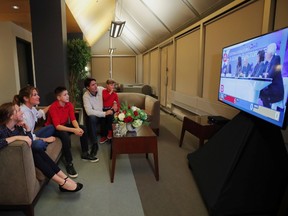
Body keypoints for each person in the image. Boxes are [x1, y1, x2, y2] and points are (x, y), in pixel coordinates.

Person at [0, 102, 83, 192]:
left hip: (24, 153)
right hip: (11, 159)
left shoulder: (17, 127)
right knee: (36, 151)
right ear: (11, 116)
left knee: (37, 151)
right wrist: (16, 137)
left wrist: (27, 129)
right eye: (18, 110)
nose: (22, 112)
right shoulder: (2, 129)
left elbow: (29, 141)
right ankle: (62, 182)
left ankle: (64, 179)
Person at [45, 86, 98, 178]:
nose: (68, 96)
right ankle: (69, 163)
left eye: (67, 94)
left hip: (63, 125)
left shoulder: (69, 105)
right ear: (58, 97)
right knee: (65, 136)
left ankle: (85, 153)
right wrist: (74, 130)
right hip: (53, 128)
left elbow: (73, 119)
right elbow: (57, 126)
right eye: (65, 95)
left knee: (83, 128)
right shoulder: (53, 107)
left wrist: (78, 128)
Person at [13, 86, 55, 151]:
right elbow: (25, 135)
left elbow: (39, 114)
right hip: (26, 139)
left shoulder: (32, 108)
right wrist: (45, 139)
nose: (38, 97)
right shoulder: (22, 112)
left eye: (37, 94)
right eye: (35, 95)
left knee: (51, 127)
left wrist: (51, 106)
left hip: (32, 135)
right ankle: (44, 144)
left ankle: (43, 144)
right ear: (26, 98)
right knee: (39, 144)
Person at [82, 78, 114, 154]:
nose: (96, 86)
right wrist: (103, 114)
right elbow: (89, 112)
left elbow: (111, 96)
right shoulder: (85, 96)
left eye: (96, 83)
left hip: (104, 113)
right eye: (93, 85)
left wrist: (114, 105)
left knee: (111, 114)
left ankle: (112, 139)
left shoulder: (101, 89)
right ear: (87, 87)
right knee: (90, 118)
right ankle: (94, 144)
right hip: (96, 116)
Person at [259, 43, 284, 108]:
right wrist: (266, 74)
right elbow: (263, 73)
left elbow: (271, 75)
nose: (265, 54)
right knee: (259, 91)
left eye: (266, 52)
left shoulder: (276, 58)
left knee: (262, 94)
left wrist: (266, 74)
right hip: (270, 88)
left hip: (276, 91)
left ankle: (268, 112)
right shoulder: (268, 63)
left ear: (270, 52)